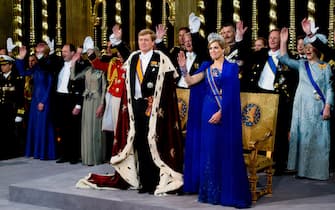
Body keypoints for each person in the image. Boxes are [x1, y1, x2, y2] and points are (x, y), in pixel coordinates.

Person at [179, 33, 251, 208]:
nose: (212, 51)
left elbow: (232, 94)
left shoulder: (231, 68)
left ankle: (227, 191)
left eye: (216, 48)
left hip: (225, 112)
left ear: (223, 49)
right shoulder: (206, 68)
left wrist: (221, 112)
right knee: (210, 151)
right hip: (207, 111)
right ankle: (211, 192)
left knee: (224, 150)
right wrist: (183, 68)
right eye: (210, 48)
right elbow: (189, 82)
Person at [110, 29, 184, 195]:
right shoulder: (134, 57)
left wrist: (158, 105)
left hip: (154, 108)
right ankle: (144, 182)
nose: (142, 43)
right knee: (140, 143)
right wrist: (119, 41)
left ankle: (155, 182)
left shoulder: (160, 58)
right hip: (135, 106)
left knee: (154, 143)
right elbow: (125, 54)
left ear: (152, 42)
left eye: (146, 40)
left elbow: (168, 84)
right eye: (140, 39)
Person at [279, 27, 334, 180]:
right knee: (304, 138)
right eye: (306, 48)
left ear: (317, 50)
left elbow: (330, 89)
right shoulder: (302, 65)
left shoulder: (325, 67)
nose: (308, 50)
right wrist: (283, 42)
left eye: (311, 48)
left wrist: (328, 107)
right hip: (302, 108)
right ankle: (302, 171)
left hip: (318, 107)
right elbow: (284, 59)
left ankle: (318, 172)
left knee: (319, 139)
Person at [244, 28, 297, 175]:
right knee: (259, 130)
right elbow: (246, 58)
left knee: (277, 131)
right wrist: (240, 38)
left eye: (276, 38)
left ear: (281, 40)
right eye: (271, 37)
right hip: (261, 95)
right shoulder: (261, 54)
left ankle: (278, 164)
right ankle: (258, 161)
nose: (273, 40)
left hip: (277, 97)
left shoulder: (287, 57)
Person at [16, 45, 56, 160]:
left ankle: (45, 153)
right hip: (35, 100)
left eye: (41, 49)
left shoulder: (49, 64)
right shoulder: (37, 66)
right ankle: (36, 152)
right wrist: (20, 58)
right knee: (35, 125)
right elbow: (23, 73)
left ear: (46, 51)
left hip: (44, 99)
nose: (38, 50)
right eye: (37, 49)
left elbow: (49, 85)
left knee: (44, 126)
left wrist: (43, 101)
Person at [72, 40, 107, 166]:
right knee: (86, 128)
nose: (90, 59)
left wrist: (102, 104)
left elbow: (104, 89)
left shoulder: (101, 70)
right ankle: (87, 157)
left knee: (96, 129)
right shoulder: (87, 70)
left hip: (97, 100)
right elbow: (74, 77)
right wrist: (73, 63)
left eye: (93, 55)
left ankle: (97, 157)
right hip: (87, 100)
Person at [54, 44, 90, 164]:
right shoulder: (59, 64)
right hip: (60, 97)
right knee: (62, 128)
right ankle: (64, 154)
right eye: (62, 51)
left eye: (65, 51)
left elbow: (82, 86)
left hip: (72, 99)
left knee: (73, 129)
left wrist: (79, 104)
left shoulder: (80, 67)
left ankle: (74, 155)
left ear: (72, 53)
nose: (63, 53)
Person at [0, 55, 25, 160]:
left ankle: (12, 152)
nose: (2, 67)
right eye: (1, 65)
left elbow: (20, 97)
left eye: (5, 65)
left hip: (12, 109)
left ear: (10, 65)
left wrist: (20, 113)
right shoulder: (0, 77)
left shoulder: (17, 78)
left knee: (11, 132)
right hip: (1, 109)